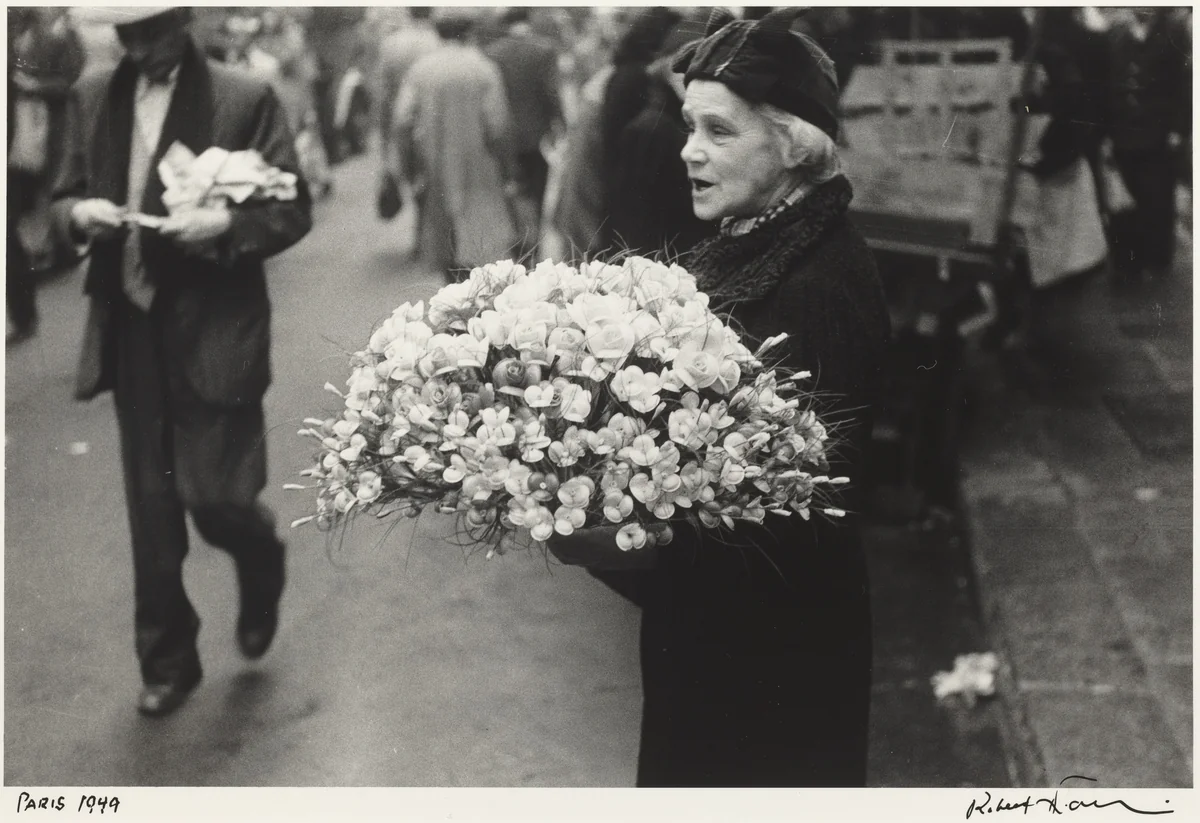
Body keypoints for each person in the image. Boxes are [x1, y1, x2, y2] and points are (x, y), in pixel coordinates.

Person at [548, 8, 890, 786]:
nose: (689, 153)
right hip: (726, 651)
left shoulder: (815, 285)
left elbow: (781, 533)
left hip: (770, 670)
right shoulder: (757, 240)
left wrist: (616, 548)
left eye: (719, 132)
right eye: (688, 127)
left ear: (793, 142)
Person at [51, 7, 312, 717]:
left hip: (215, 325)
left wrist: (227, 221)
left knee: (215, 496)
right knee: (152, 506)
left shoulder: (244, 97)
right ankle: (167, 657)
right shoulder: (92, 94)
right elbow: (60, 199)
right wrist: (79, 217)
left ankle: (259, 556)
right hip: (130, 324)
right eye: (126, 38)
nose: (140, 50)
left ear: (185, 21)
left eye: (152, 34)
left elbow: (292, 208)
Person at [389, 9, 518, 280]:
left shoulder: (421, 69)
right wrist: (508, 169)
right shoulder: (483, 67)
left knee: (446, 250)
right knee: (482, 254)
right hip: (480, 170)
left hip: (435, 171)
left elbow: (402, 121)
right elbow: (498, 125)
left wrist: (408, 167)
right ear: (470, 32)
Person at [605, 18, 714, 258]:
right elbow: (634, 221)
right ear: (668, 68)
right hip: (663, 265)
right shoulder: (652, 129)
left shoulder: (679, 123)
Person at [1101, 7, 1191, 281]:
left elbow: (1185, 83)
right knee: (1126, 198)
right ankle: (1130, 261)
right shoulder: (1116, 33)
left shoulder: (1173, 31)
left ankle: (1157, 259)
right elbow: (1107, 80)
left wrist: (1179, 128)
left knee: (1157, 196)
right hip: (1123, 128)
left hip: (1159, 129)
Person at [484, 7, 565, 238]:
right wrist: (561, 124)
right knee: (538, 190)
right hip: (538, 134)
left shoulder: (492, 52)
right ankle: (535, 240)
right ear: (528, 21)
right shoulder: (545, 49)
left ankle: (517, 236)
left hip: (504, 135)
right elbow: (552, 93)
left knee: (511, 188)